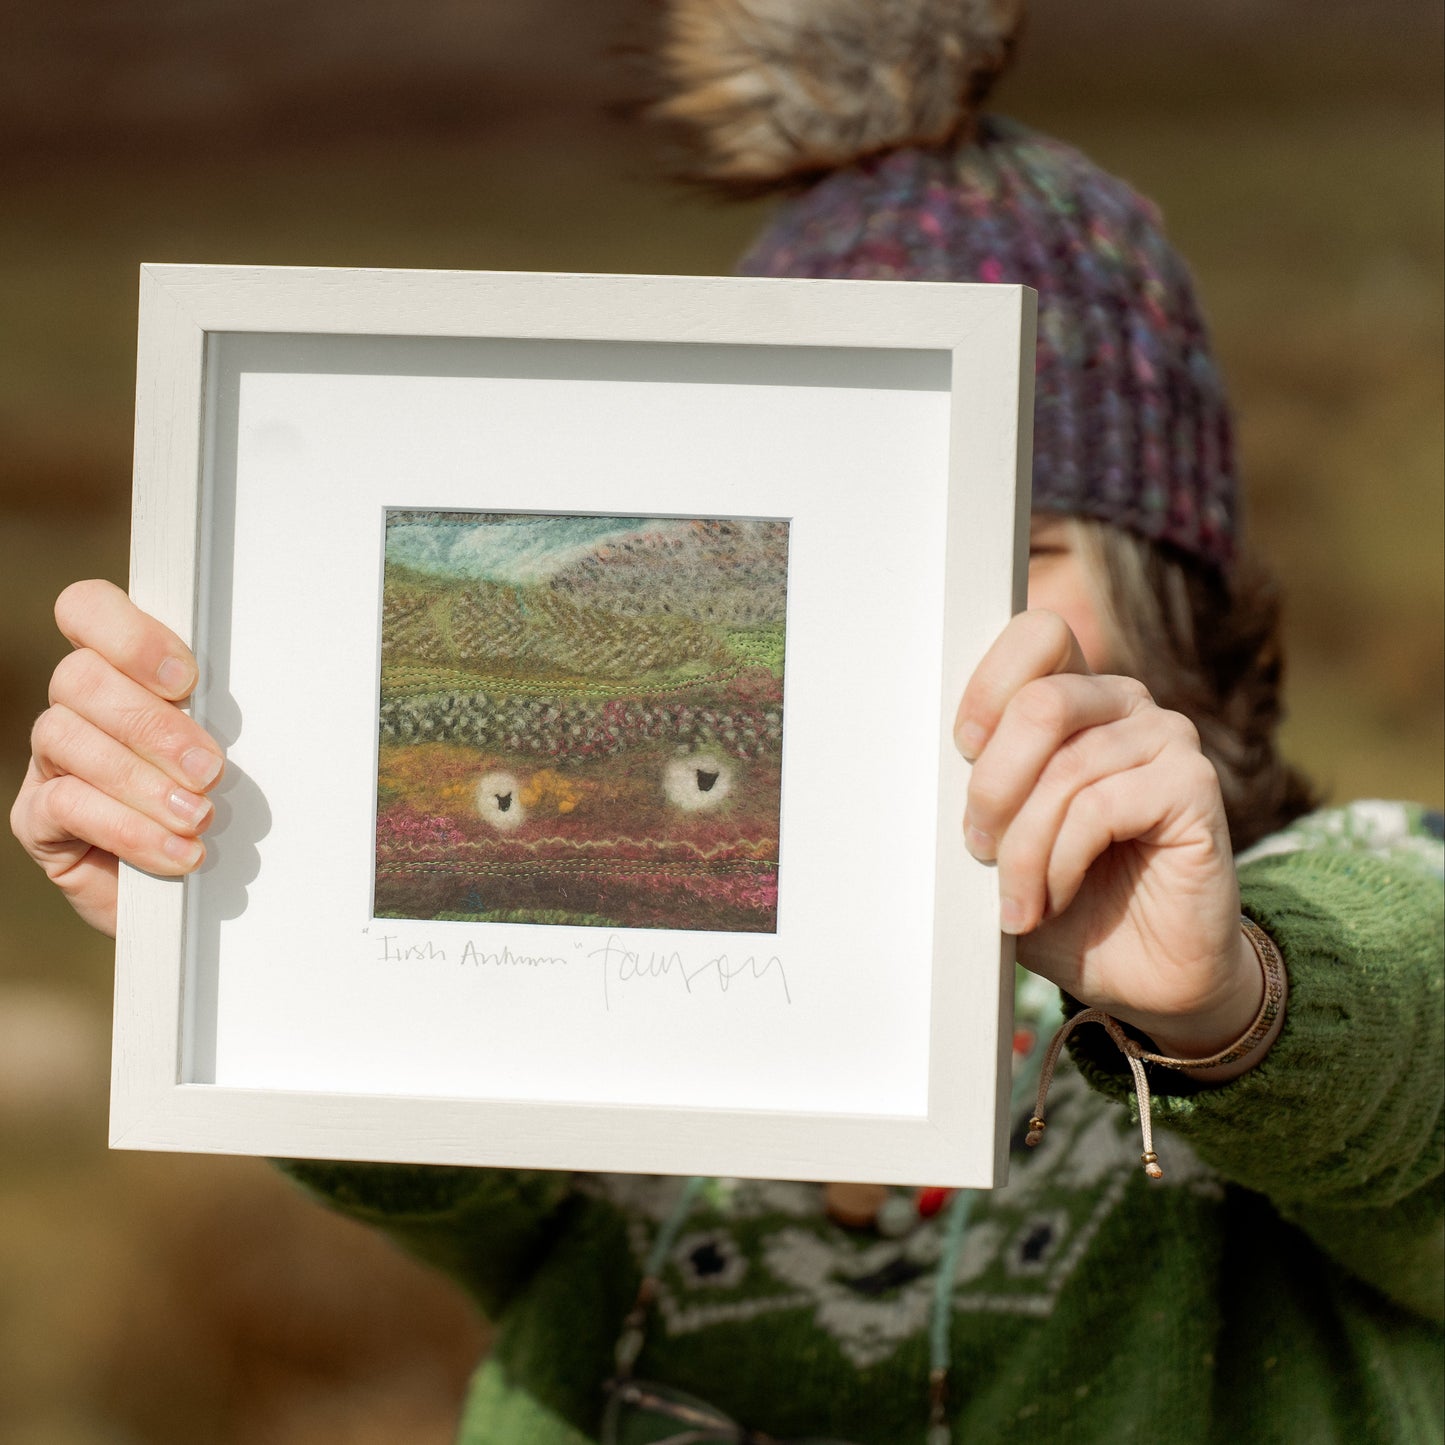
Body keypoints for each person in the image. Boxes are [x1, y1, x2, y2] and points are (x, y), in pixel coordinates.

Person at [12, 2, 1443, 1441]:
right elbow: (442, 1152)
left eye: (1019, 540)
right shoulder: (679, 916)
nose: (927, 621)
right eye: (859, 551)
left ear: (1165, 600)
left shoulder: (1354, 888)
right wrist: (249, 921)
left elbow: (1402, 1039)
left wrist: (1233, 1006)